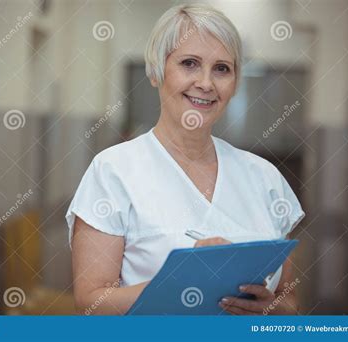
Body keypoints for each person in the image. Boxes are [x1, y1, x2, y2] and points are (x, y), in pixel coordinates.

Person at [66, 3, 305, 315]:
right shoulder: (113, 172)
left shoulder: (265, 177)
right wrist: (181, 281)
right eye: (189, 63)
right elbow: (90, 302)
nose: (206, 83)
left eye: (222, 68)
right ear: (156, 71)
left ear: (234, 83)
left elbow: (290, 301)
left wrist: (269, 309)